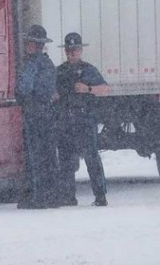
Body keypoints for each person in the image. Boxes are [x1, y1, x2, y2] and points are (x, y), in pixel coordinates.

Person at [55, 32, 110, 206]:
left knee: (91, 158)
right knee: (65, 159)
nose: (72, 52)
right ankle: (68, 196)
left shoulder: (88, 70)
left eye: (75, 49)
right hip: (65, 119)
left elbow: (105, 90)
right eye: (69, 49)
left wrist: (88, 89)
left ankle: (100, 196)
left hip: (85, 118)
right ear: (65, 51)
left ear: (81, 50)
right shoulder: (60, 71)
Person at [15, 24, 60, 209]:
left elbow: (25, 88)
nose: (27, 45)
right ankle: (52, 195)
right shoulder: (48, 63)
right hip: (48, 112)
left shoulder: (31, 63)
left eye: (29, 42)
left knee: (35, 156)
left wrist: (18, 94)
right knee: (49, 155)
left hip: (34, 112)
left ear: (34, 44)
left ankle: (37, 196)